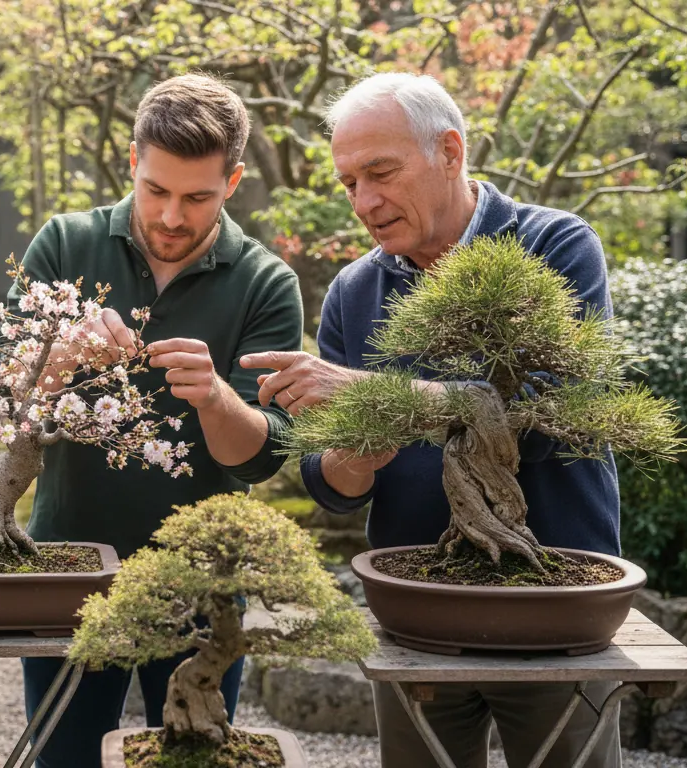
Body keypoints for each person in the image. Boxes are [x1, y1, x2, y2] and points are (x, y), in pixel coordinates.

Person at [241, 72, 622, 768]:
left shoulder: (555, 245)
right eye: (349, 182)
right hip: (418, 602)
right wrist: (358, 455)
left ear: (450, 152)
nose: (364, 202)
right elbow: (330, 485)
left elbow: (560, 410)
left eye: (381, 173)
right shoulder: (357, 290)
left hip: (552, 594)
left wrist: (379, 392)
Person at [11, 73, 304, 767]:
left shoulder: (266, 282)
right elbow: (9, 401)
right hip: (70, 568)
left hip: (202, 582)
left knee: (192, 754)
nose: (172, 216)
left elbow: (262, 458)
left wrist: (214, 398)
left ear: (233, 182)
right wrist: (63, 353)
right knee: (63, 757)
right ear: (133, 163)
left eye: (197, 198)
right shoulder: (65, 244)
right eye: (156, 190)